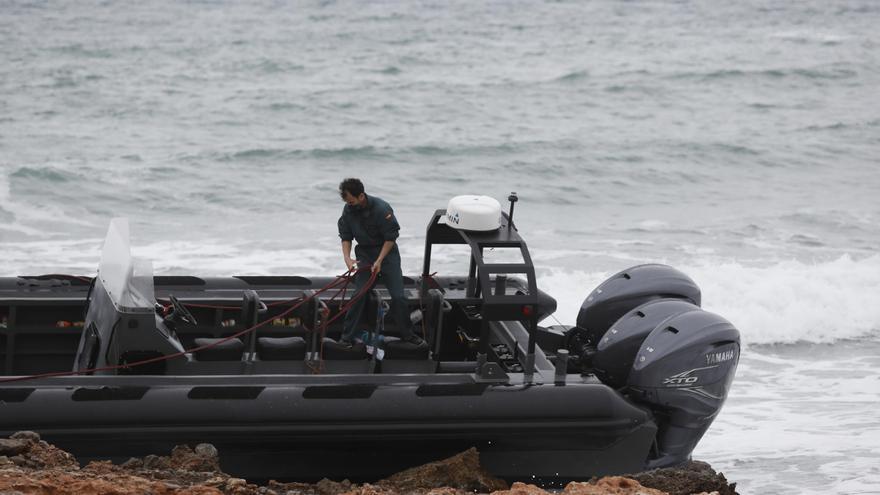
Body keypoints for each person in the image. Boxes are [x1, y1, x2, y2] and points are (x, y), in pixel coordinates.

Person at [337, 178, 424, 346]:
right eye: (347, 202)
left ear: (361, 196)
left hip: (387, 254)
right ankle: (346, 338)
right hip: (365, 255)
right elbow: (346, 236)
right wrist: (347, 258)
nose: (349, 205)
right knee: (358, 295)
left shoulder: (382, 208)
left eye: (352, 201)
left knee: (398, 297)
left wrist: (379, 260)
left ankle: (408, 335)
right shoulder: (348, 210)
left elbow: (391, 238)